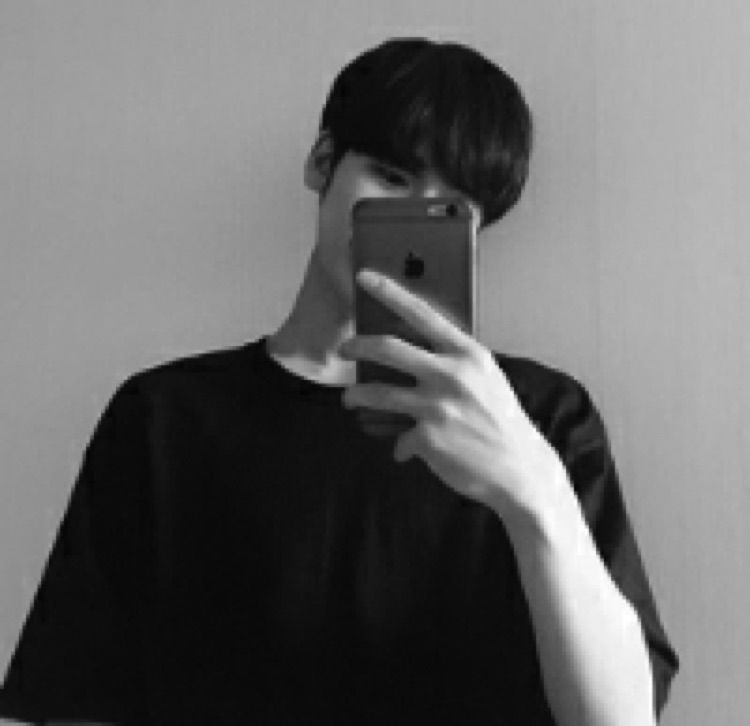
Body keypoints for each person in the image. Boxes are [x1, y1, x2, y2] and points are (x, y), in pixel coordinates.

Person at [0, 38, 678, 724]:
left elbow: (622, 718)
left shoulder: (544, 415)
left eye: (452, 209)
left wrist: (533, 490)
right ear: (322, 162)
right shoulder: (165, 418)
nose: (410, 221)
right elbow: (72, 697)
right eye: (391, 177)